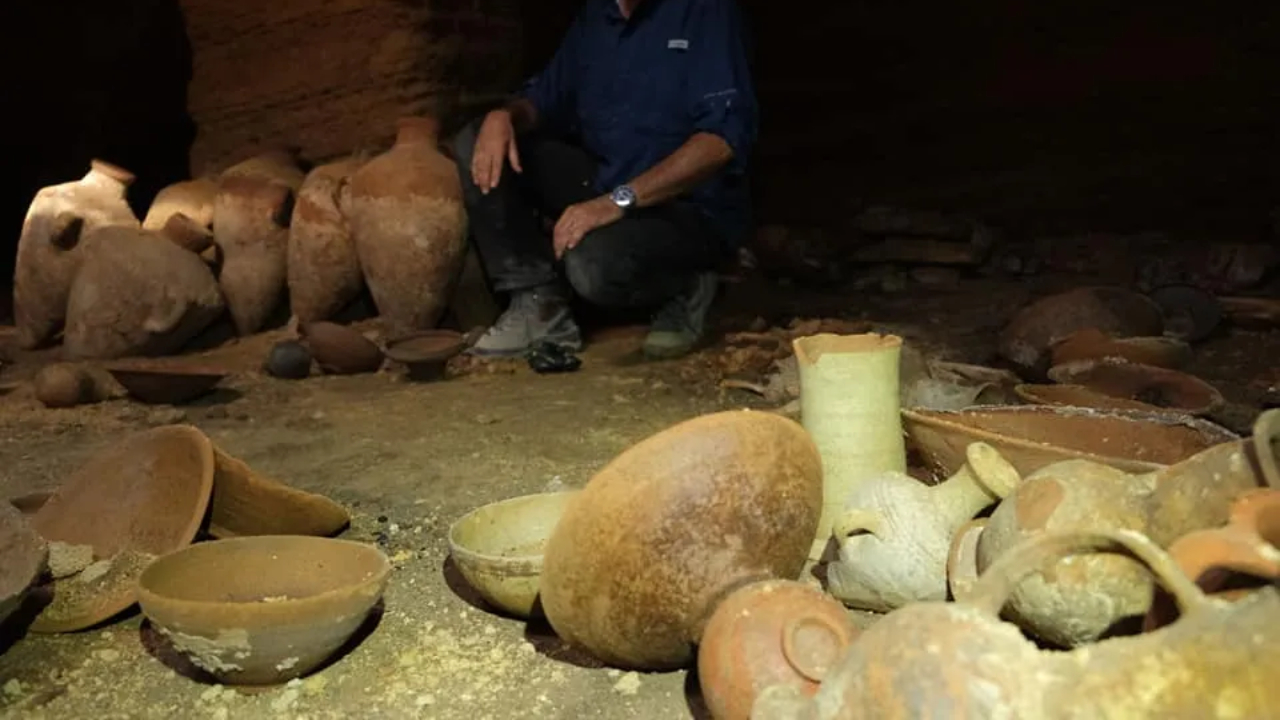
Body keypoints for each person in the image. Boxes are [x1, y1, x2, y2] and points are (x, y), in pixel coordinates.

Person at [451, 0, 758, 359]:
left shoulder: (704, 11)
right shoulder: (597, 17)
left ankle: (689, 285)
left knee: (591, 266)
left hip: (688, 210)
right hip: (608, 184)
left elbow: (720, 143)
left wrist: (617, 201)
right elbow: (544, 99)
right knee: (481, 140)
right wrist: (504, 116)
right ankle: (538, 304)